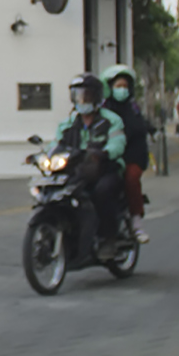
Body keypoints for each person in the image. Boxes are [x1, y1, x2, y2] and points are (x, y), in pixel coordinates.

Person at [50, 73, 127, 255]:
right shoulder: (67, 123)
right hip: (77, 170)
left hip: (105, 169)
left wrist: (104, 152)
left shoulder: (111, 120)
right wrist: (45, 156)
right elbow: (56, 144)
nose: (82, 100)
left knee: (102, 192)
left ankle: (108, 238)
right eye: (78, 95)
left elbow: (118, 143)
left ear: (97, 97)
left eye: (86, 95)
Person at [101, 63, 151, 243]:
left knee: (130, 178)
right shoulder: (102, 110)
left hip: (132, 155)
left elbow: (138, 129)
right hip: (107, 156)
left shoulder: (133, 109)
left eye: (124, 86)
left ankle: (136, 222)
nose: (121, 90)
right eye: (117, 86)